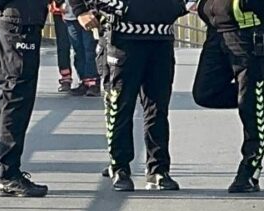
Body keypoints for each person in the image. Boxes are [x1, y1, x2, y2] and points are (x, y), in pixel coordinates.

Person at [70, 0, 187, 192]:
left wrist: (178, 6)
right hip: (122, 38)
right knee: (120, 106)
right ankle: (119, 167)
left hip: (162, 38)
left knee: (158, 109)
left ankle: (158, 169)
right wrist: (81, 10)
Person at [0, 0, 49, 197]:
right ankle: (8, 174)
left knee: (15, 93)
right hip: (19, 22)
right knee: (16, 94)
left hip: (19, 19)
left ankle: (8, 171)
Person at [192, 0, 264, 193]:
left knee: (250, 105)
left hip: (248, 35)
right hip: (217, 34)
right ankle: (258, 98)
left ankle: (249, 170)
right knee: (204, 93)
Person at [62, 0, 99, 95]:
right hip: (70, 15)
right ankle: (84, 80)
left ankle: (93, 82)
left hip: (87, 13)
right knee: (78, 50)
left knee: (89, 49)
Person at [50, 1, 75, 92]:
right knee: (63, 45)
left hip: (78, 9)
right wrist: (59, 3)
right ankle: (65, 78)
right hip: (60, 10)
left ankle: (86, 78)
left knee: (81, 45)